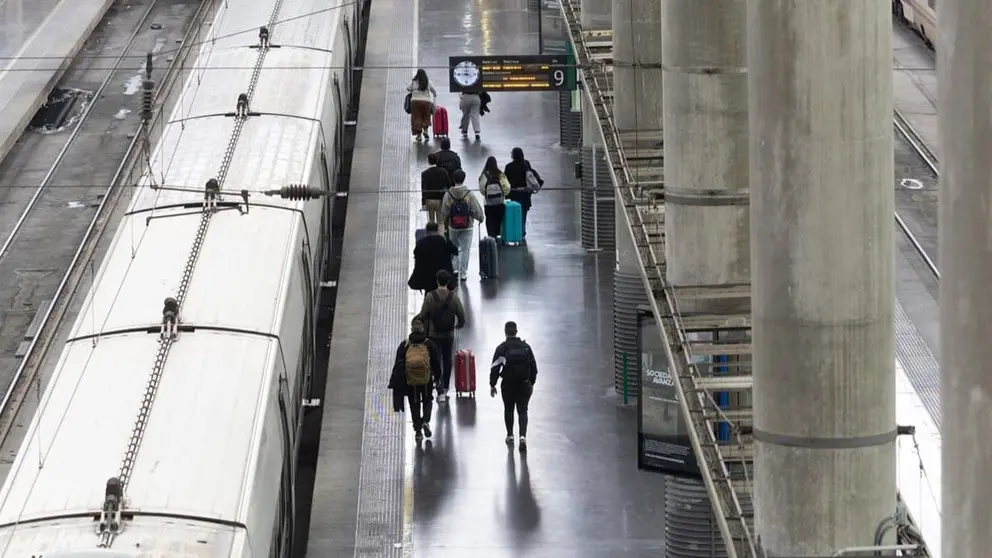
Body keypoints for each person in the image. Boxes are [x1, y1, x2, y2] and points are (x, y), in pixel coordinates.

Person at [390, 318, 443, 441]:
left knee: (414, 404)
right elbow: (436, 363)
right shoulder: (429, 344)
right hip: (426, 379)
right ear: (423, 329)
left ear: (411, 329)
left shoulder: (404, 345)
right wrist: (438, 378)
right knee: (427, 399)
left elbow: (398, 365)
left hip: (410, 381)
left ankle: (418, 431)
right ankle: (426, 421)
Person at [416, 270, 466, 402]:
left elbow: (422, 315)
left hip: (434, 334)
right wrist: (459, 325)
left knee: (435, 360)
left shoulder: (430, 296)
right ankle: (446, 386)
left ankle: (439, 387)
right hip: (448, 334)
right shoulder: (453, 297)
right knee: (447, 359)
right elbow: (461, 315)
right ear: (448, 282)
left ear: (437, 281)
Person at [489, 321, 538, 451]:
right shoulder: (526, 347)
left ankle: (510, 435)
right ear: (516, 331)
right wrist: (531, 382)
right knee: (523, 410)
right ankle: (522, 437)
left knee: (508, 409)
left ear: (505, 332)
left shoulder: (502, 348)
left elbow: (495, 368)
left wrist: (492, 384)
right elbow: (534, 367)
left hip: (508, 385)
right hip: (523, 384)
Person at [440, 169, 484, 280]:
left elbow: (444, 211)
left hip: (453, 226)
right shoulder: (469, 194)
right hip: (467, 225)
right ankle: (463, 272)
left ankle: (454, 269)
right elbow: (475, 209)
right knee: (465, 249)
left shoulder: (448, 194)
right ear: (464, 179)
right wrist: (480, 218)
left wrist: (443, 222)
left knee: (454, 247)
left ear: (453, 179)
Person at [503, 147, 544, 239]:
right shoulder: (526, 164)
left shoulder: (509, 166)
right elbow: (532, 176)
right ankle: (522, 231)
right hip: (525, 194)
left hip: (514, 194)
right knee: (523, 213)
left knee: (515, 213)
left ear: (513, 155)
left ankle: (516, 232)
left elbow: (506, 181)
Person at [408, 223, 458, 292]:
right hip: (442, 278)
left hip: (426, 279)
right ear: (438, 230)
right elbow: (455, 251)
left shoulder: (421, 243)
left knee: (429, 298)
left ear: (426, 231)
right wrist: (443, 235)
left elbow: (416, 258)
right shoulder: (444, 241)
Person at [478, 156, 510, 239]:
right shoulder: (500, 174)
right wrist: (503, 194)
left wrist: (486, 194)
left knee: (490, 220)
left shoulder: (484, 175)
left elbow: (481, 189)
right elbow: (506, 187)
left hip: (488, 203)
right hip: (500, 202)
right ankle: (498, 235)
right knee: (499, 219)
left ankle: (491, 236)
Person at [406, 69, 437, 141]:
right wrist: (434, 97)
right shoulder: (428, 82)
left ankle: (419, 135)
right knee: (426, 116)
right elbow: (434, 91)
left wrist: (413, 90)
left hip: (415, 102)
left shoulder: (414, 81)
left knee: (416, 118)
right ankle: (425, 131)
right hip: (426, 102)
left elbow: (407, 88)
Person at [422, 153, 453, 225]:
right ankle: (440, 235)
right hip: (440, 200)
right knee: (440, 222)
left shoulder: (424, 173)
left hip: (429, 200)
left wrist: (423, 203)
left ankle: (432, 234)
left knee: (431, 222)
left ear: (428, 161)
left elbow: (423, 189)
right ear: (437, 161)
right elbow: (449, 185)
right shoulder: (443, 171)